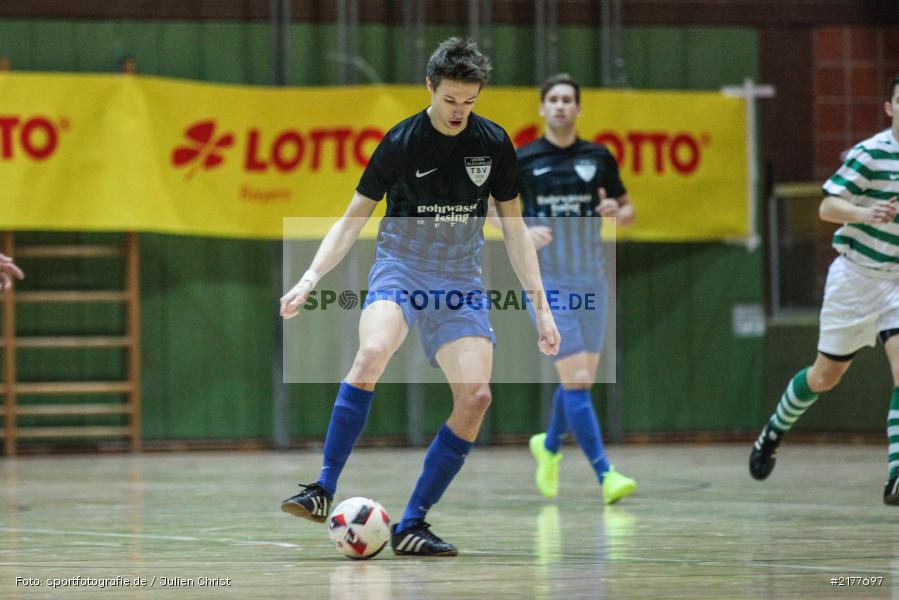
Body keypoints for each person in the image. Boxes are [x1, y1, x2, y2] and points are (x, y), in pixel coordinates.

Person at [278, 38, 560, 556]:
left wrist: (541, 308)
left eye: (469, 102)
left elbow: (515, 231)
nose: (459, 112)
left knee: (476, 398)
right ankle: (322, 488)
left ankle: (412, 524)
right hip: (401, 269)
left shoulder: (494, 143)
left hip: (460, 281)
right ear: (430, 86)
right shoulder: (401, 142)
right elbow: (352, 219)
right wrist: (309, 278)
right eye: (451, 100)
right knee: (371, 353)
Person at [750, 74, 899, 504]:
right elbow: (827, 206)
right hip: (857, 277)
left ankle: (896, 476)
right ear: (888, 108)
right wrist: (867, 213)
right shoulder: (871, 154)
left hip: (898, 279)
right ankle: (773, 432)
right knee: (825, 376)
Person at [517, 74, 637, 505]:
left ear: (579, 109)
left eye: (569, 99)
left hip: (593, 280)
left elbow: (628, 210)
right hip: (547, 286)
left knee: (576, 381)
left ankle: (548, 447)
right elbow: (494, 213)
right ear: (542, 108)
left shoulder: (598, 156)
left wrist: (616, 212)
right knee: (581, 380)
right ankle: (606, 475)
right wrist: (524, 231)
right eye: (553, 99)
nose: (561, 106)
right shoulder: (524, 159)